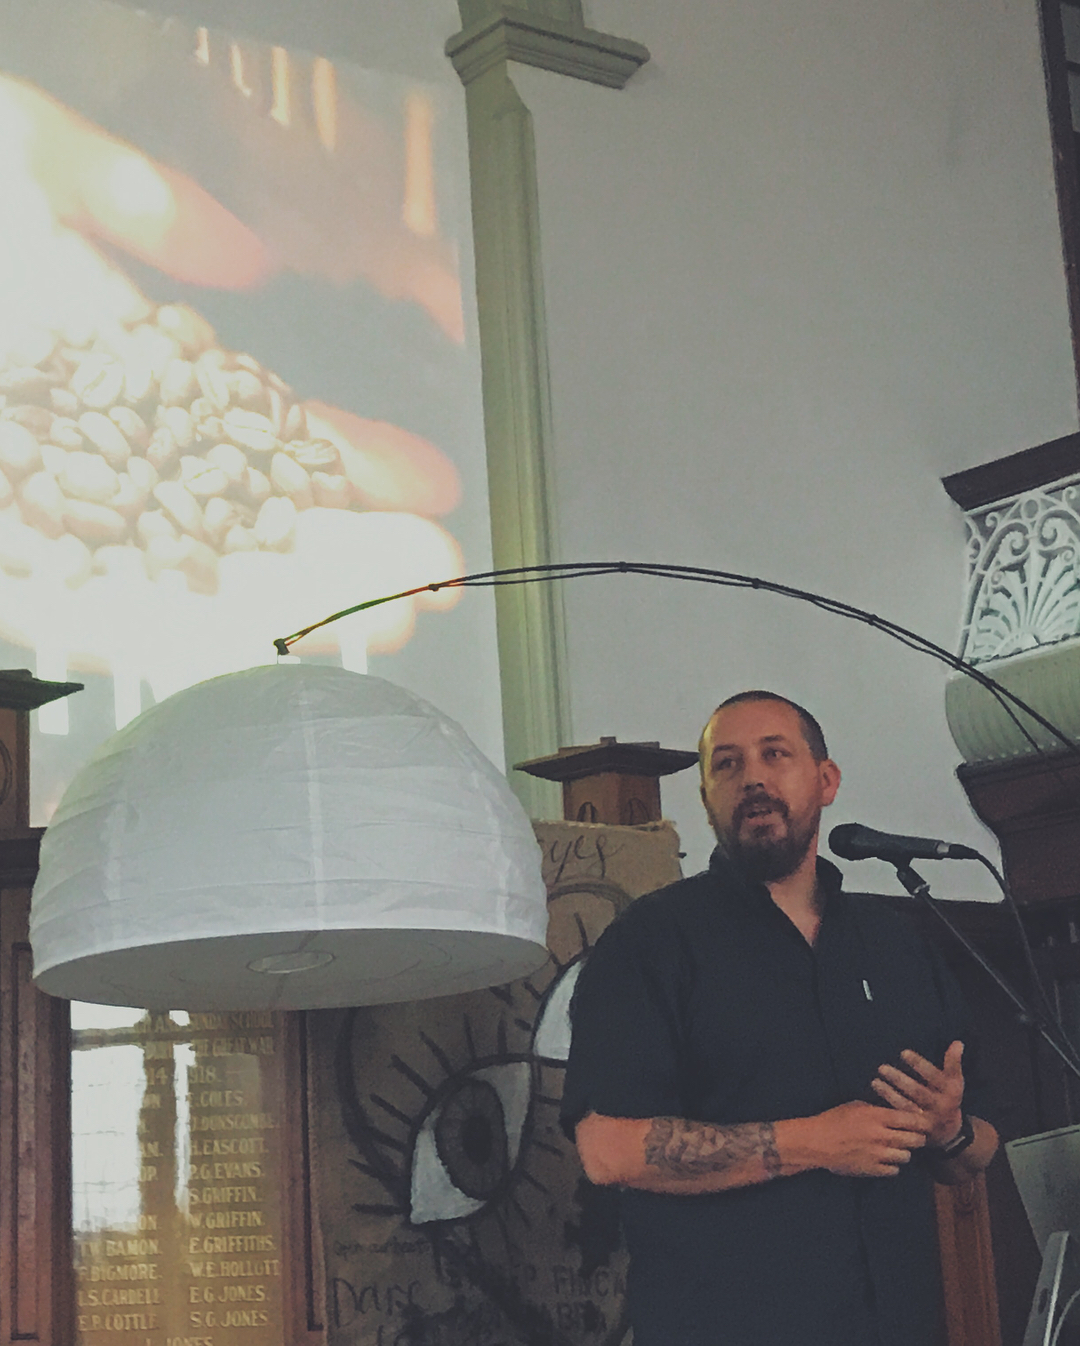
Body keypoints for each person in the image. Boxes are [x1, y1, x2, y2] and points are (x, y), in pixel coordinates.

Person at [561, 690, 999, 1346]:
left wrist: (949, 1129)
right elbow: (607, 1151)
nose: (754, 778)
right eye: (728, 765)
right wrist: (817, 1142)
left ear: (826, 780)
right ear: (707, 796)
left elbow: (978, 1153)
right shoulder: (649, 943)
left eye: (775, 754)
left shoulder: (895, 944)